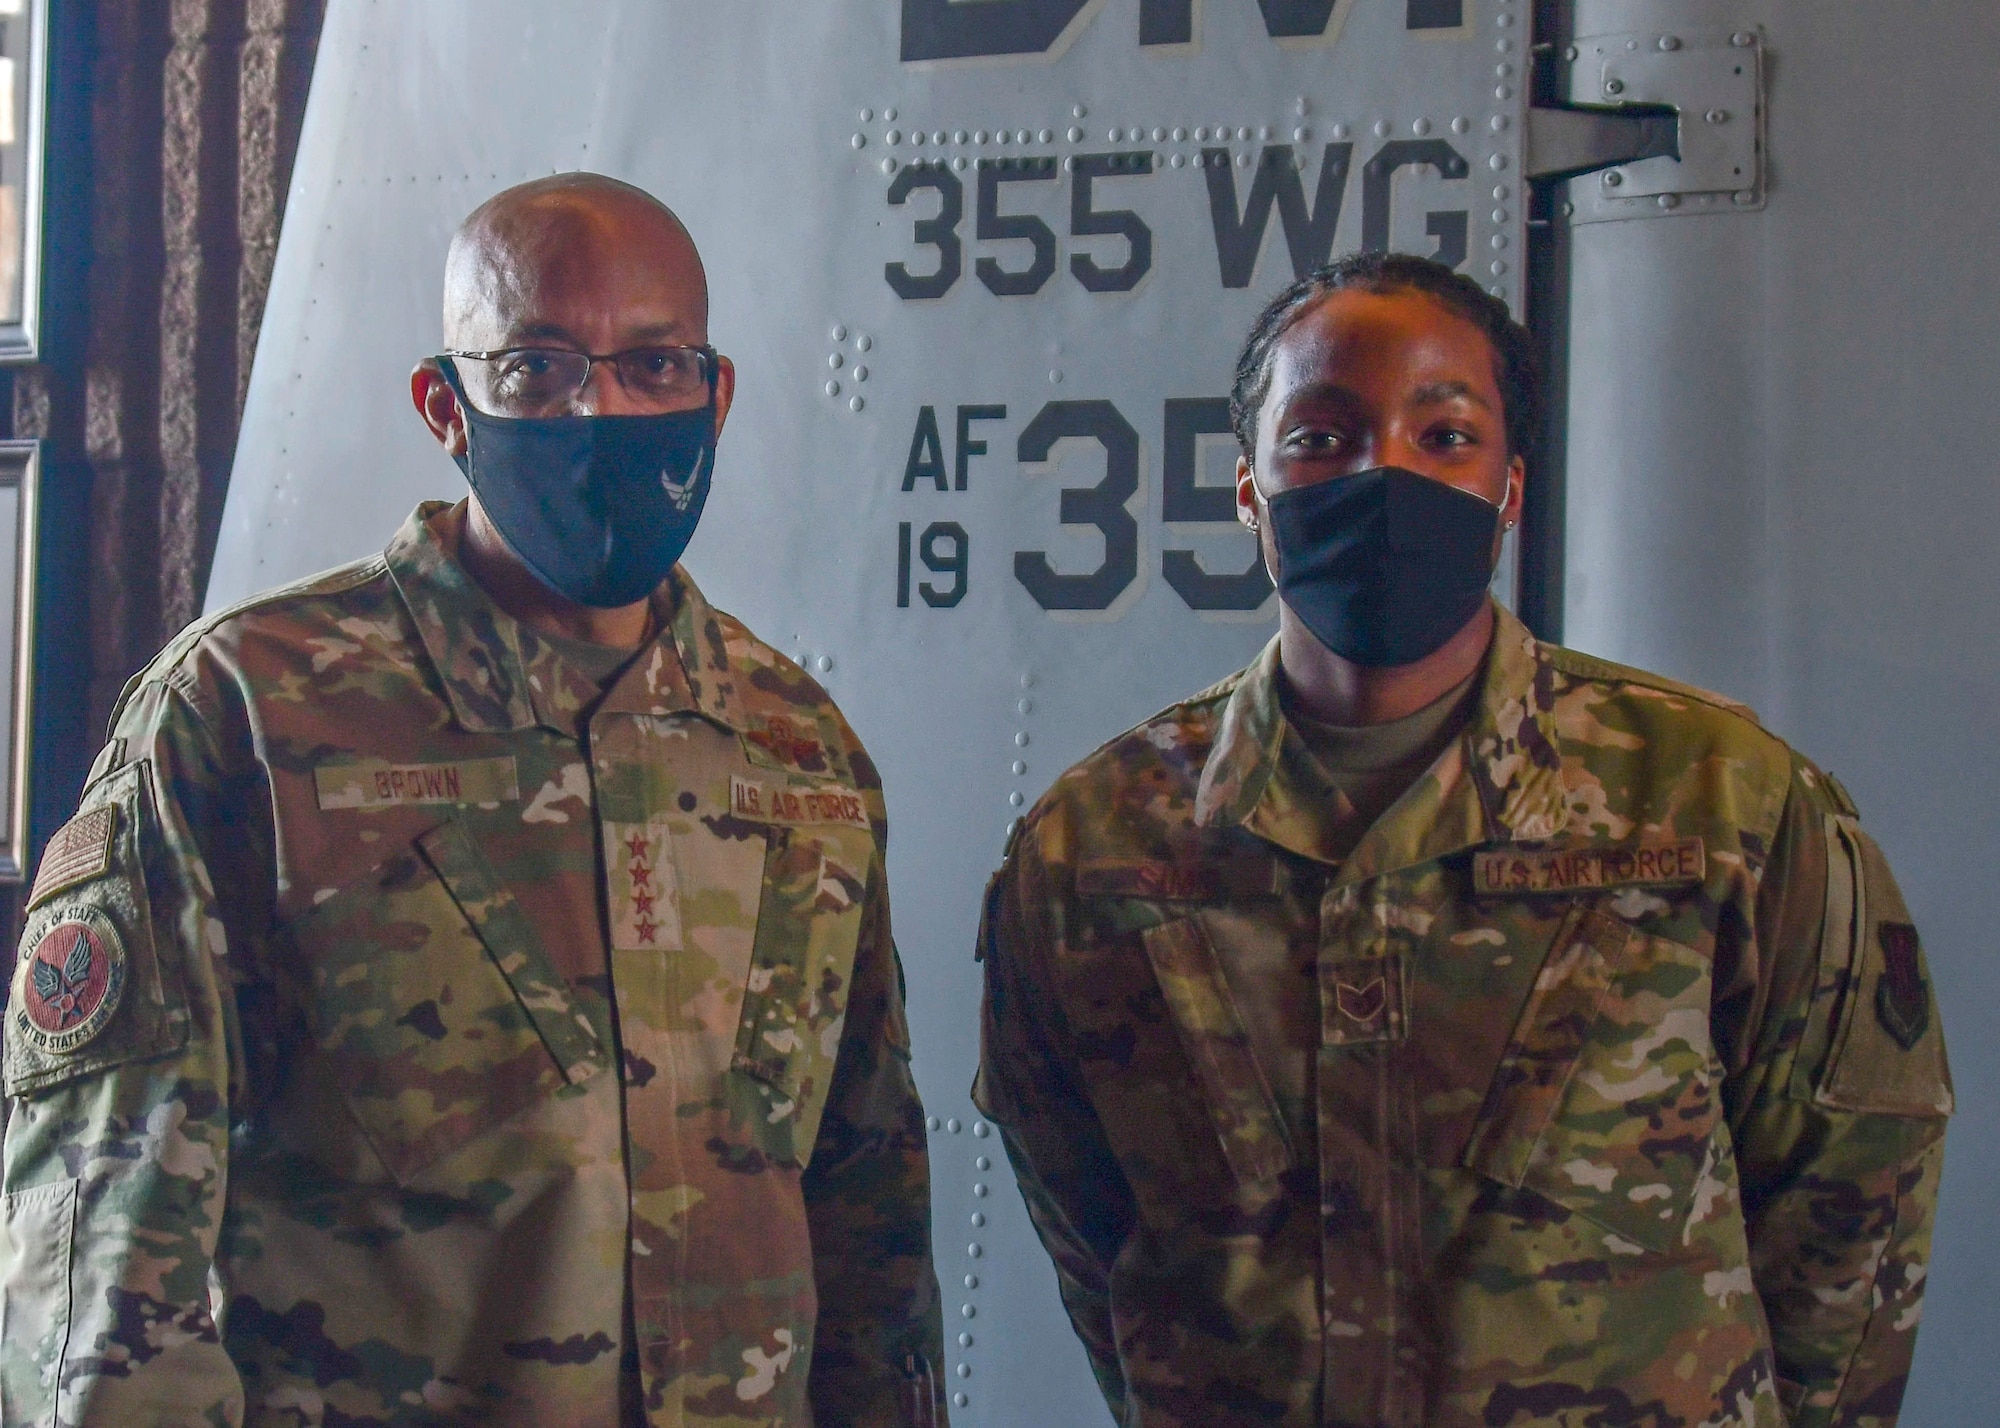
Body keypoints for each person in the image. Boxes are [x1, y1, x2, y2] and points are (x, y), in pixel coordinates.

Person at [0, 173, 947, 1427]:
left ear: (714, 394)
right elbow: (104, 1251)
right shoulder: (249, 716)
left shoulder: (794, 751)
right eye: (540, 371)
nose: (605, 409)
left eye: (655, 366)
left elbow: (865, 1204)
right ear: (447, 407)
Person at [974, 252, 1950, 1428]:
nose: (1380, 471)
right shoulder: (1094, 848)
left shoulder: (1721, 806)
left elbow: (1849, 1213)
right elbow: (1089, 1225)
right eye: (1322, 437)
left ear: (1509, 487)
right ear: (1247, 490)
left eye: (1441, 438)